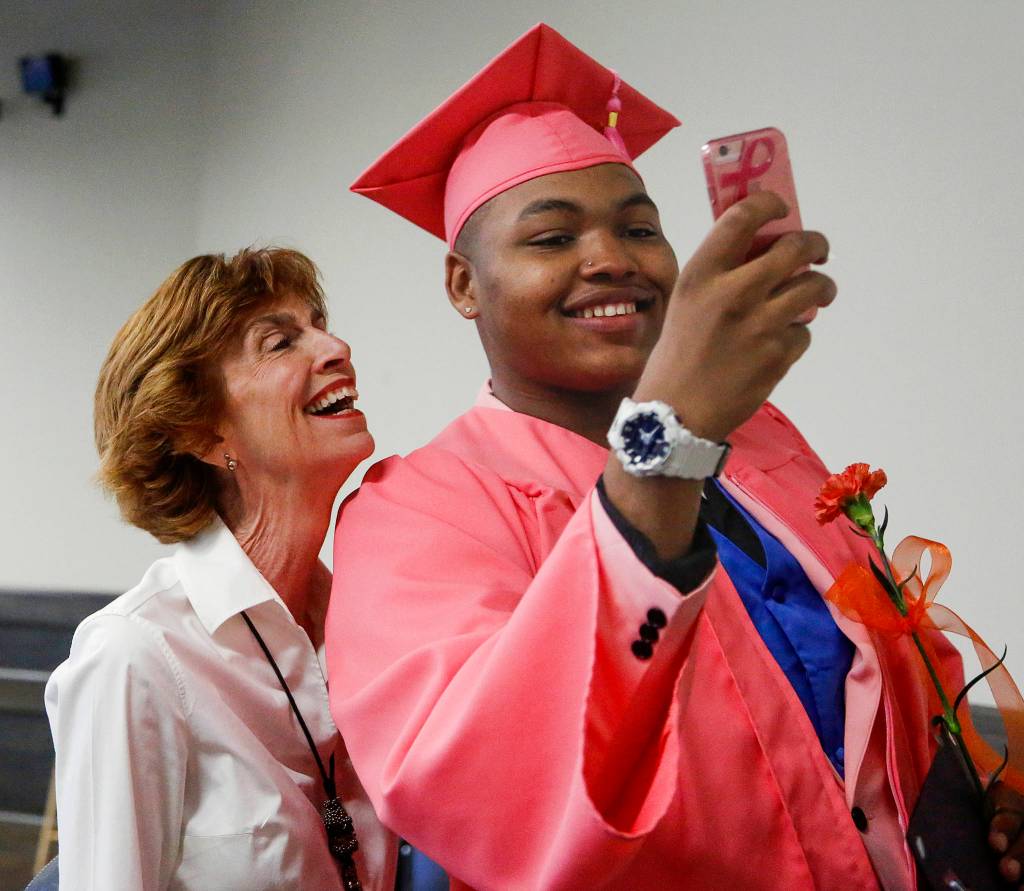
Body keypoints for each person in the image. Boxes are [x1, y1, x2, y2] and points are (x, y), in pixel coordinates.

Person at [327, 23, 1024, 891]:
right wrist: (670, 433)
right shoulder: (419, 510)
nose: (611, 260)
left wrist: (978, 796)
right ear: (464, 285)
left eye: (640, 228)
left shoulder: (759, 436)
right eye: (550, 239)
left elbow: (890, 675)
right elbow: (492, 798)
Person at [45, 248, 394, 890]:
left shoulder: (370, 626)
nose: (336, 345)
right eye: (280, 341)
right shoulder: (135, 656)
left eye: (320, 323)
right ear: (203, 433)